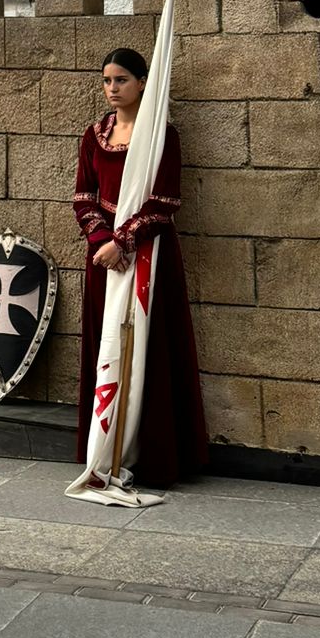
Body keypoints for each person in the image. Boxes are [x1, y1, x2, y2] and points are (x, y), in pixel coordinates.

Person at [72, 47, 207, 488]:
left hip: (149, 258)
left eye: (121, 81)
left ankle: (150, 454)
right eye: (107, 81)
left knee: (148, 347)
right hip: (104, 262)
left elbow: (165, 202)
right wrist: (102, 243)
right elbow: (84, 197)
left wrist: (124, 241)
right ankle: (102, 449)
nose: (112, 89)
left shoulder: (160, 137)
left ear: (143, 83)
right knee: (107, 347)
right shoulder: (94, 136)